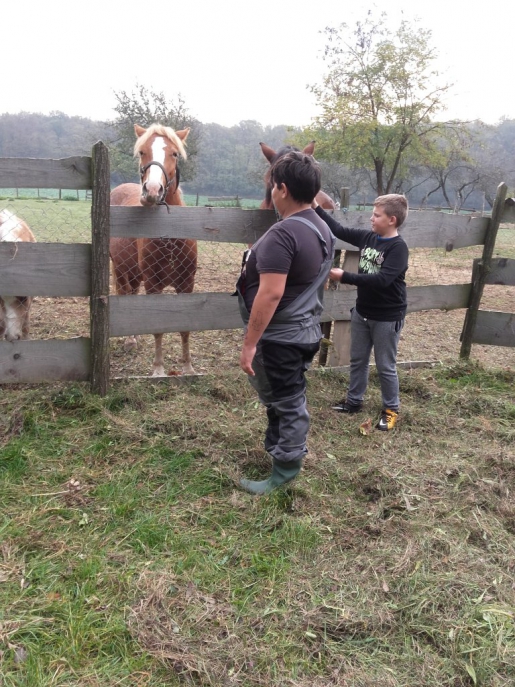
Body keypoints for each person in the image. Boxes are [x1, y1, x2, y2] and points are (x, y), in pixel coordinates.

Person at [235, 151, 335, 495]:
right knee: (283, 395)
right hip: (304, 329)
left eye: (272, 186)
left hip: (281, 336)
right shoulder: (320, 227)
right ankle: (278, 451)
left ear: (281, 189)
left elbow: (271, 294)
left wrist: (250, 343)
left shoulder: (284, 233)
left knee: (289, 402)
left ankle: (284, 475)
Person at [313, 194, 409, 431]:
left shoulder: (398, 248)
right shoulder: (367, 237)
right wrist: (313, 203)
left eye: (377, 215)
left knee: (385, 365)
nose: (371, 218)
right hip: (362, 312)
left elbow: (383, 280)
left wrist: (344, 276)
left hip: (387, 317)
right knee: (358, 359)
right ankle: (354, 401)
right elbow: (337, 229)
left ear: (392, 220)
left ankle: (390, 410)